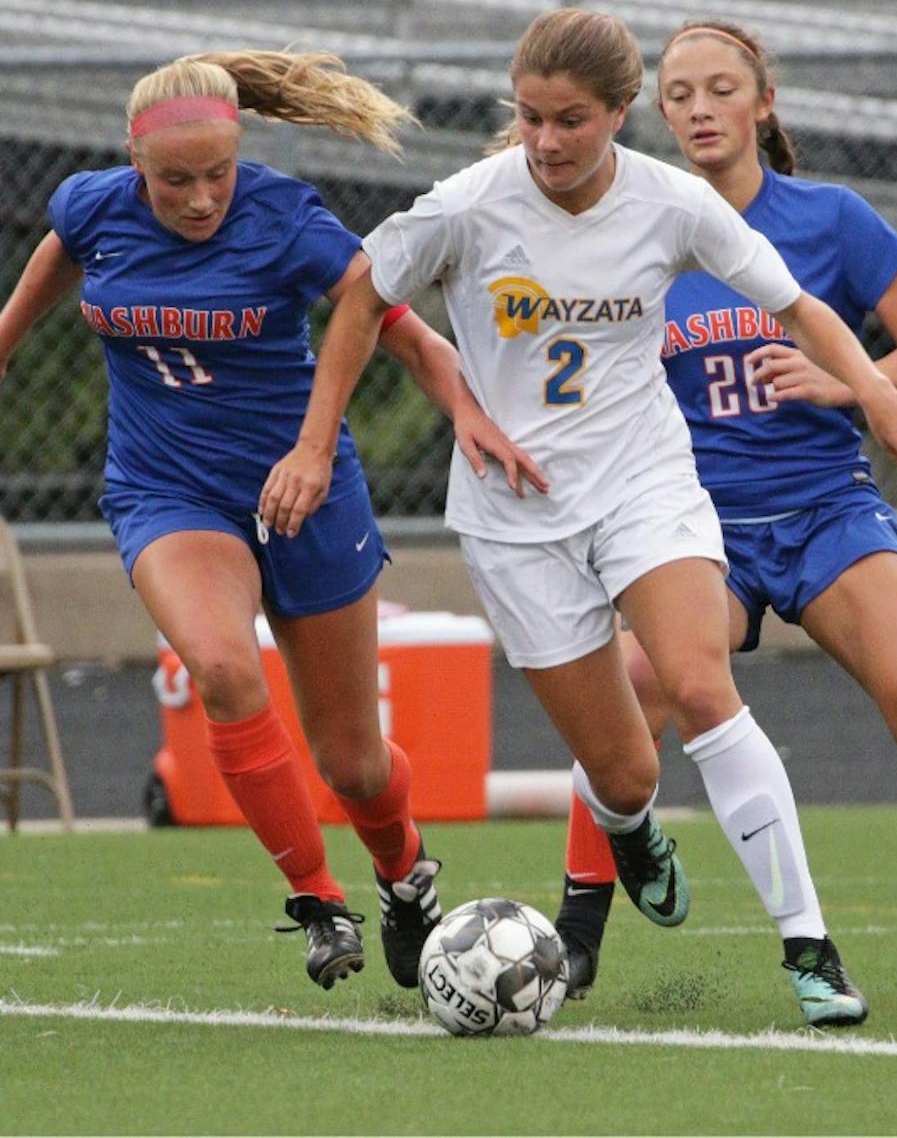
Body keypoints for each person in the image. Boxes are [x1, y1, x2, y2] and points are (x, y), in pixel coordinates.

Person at [270, 7, 897, 1027]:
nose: (548, 142)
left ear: (618, 114)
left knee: (699, 684)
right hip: (517, 520)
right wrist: (318, 439)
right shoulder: (468, 205)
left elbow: (802, 308)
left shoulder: (671, 204)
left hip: (646, 486)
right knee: (624, 766)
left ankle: (810, 949)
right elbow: (362, 299)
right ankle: (633, 824)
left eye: (572, 121)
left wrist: (876, 389)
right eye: (530, 118)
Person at [544, 19, 897, 1006]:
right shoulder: (635, 231)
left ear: (763, 103)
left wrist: (845, 384)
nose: (700, 109)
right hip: (696, 529)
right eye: (680, 95)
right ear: (657, 114)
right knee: (630, 692)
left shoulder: (831, 219)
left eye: (720, 90)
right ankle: (575, 939)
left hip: (827, 510)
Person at [0, 51, 536, 991]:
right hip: (170, 493)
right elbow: (58, 259)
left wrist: (462, 413)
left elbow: (390, 321)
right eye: (176, 181)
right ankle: (319, 901)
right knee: (221, 667)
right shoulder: (92, 205)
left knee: (355, 764)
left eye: (219, 173)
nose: (203, 198)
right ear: (135, 164)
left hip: (306, 490)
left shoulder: (284, 214)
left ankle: (404, 871)